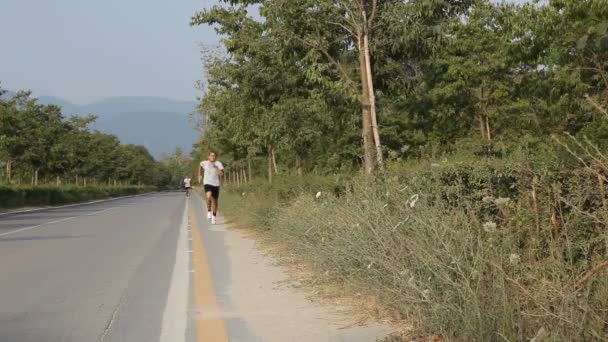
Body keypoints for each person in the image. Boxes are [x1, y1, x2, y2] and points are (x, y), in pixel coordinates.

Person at [198, 151, 224, 224]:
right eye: (211, 155)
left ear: (216, 157)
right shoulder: (204, 163)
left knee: (215, 201)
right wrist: (199, 175)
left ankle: (214, 216)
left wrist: (216, 167)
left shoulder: (218, 164)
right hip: (207, 182)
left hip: (216, 184)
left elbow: (221, 174)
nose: (213, 157)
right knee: (208, 196)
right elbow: (200, 166)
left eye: (214, 156)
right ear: (208, 157)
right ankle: (209, 210)